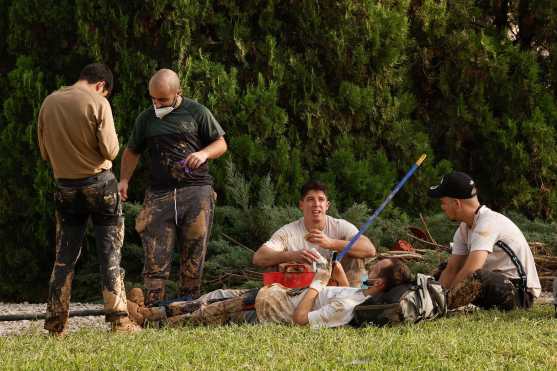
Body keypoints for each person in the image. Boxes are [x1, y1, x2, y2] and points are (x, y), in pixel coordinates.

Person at [37, 63, 140, 335]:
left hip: (65, 188)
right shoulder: (98, 102)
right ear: (101, 85)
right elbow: (111, 150)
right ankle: (120, 321)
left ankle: (55, 324)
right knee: (110, 252)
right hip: (99, 185)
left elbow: (45, 153)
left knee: (64, 256)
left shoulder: (49, 102)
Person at [118, 69, 227, 305]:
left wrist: (203, 153)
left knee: (195, 247)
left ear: (179, 93)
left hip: (196, 190)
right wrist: (124, 179)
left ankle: (188, 302)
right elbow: (132, 151)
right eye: (153, 99)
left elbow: (221, 143)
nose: (157, 103)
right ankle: (153, 304)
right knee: (155, 250)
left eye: (163, 99)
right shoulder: (145, 119)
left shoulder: (197, 112)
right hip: (159, 193)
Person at [130, 257, 411, 329]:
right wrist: (335, 273)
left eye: (375, 269)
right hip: (275, 294)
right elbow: (343, 289)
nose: (369, 269)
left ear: (380, 285)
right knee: (214, 296)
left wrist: (317, 283)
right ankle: (149, 312)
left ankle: (150, 321)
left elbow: (301, 319)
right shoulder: (361, 292)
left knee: (209, 313)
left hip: (272, 308)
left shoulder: (349, 306)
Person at [428, 171, 541, 310]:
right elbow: (452, 269)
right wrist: (435, 299)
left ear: (457, 204)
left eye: (443, 202)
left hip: (520, 294)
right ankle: (431, 304)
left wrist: (446, 299)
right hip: (495, 285)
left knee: (476, 275)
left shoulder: (487, 223)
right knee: (445, 268)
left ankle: (444, 305)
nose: (442, 207)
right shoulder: (463, 229)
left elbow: (472, 269)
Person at [252, 180, 376, 287]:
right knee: (273, 265)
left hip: (342, 287)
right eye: (310, 199)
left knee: (357, 257)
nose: (316, 204)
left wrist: (331, 243)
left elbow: (370, 250)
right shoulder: (288, 232)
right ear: (301, 205)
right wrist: (292, 255)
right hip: (304, 291)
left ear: (327, 205)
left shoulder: (340, 226)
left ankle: (362, 299)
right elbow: (259, 258)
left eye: (321, 199)